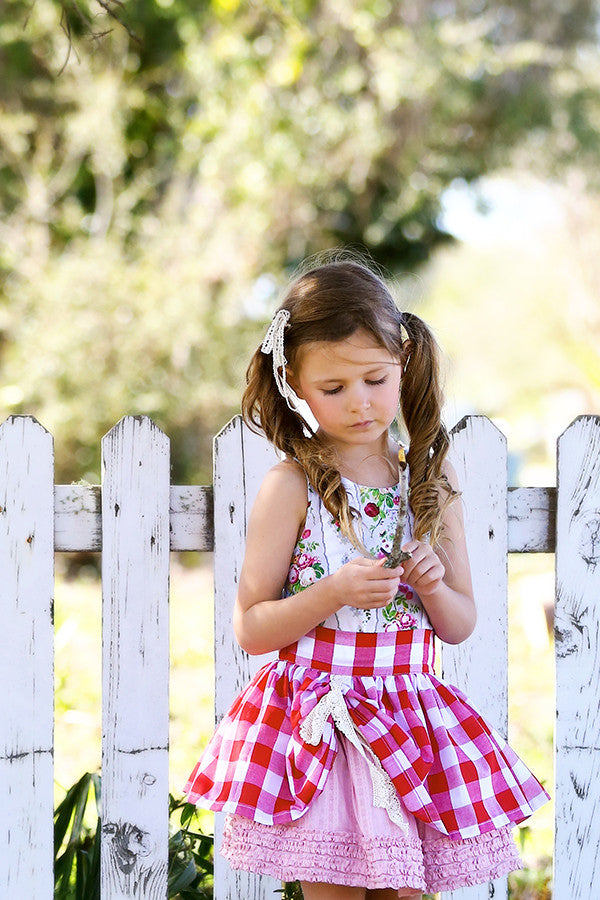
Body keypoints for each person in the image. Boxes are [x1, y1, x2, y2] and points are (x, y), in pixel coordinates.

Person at [184, 258, 549, 899]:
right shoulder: (290, 487)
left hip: (408, 728)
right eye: (333, 389)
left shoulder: (428, 485)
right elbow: (251, 626)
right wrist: (330, 593)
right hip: (321, 731)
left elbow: (461, 624)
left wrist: (433, 584)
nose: (359, 402)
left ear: (403, 363)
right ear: (295, 385)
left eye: (375, 379)